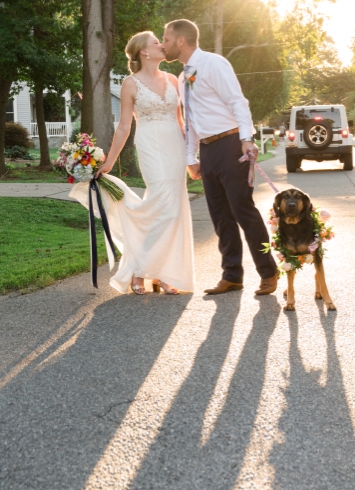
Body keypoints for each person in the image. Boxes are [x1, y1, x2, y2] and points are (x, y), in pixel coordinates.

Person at [161, 19, 277, 296]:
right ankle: (232, 275)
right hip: (208, 151)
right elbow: (190, 120)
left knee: (243, 211)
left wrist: (246, 139)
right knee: (220, 217)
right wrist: (191, 157)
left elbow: (238, 102)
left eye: (165, 39)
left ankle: (268, 272)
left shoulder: (214, 64)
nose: (163, 44)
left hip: (231, 144)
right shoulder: (181, 77)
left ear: (180, 41)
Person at [79, 31, 195, 295]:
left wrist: (192, 156)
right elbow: (123, 127)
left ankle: (165, 273)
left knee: (173, 209)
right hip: (150, 144)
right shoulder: (130, 84)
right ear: (144, 51)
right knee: (163, 205)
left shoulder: (172, 80)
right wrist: (108, 161)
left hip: (174, 145)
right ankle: (140, 270)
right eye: (157, 42)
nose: (161, 45)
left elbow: (181, 121)